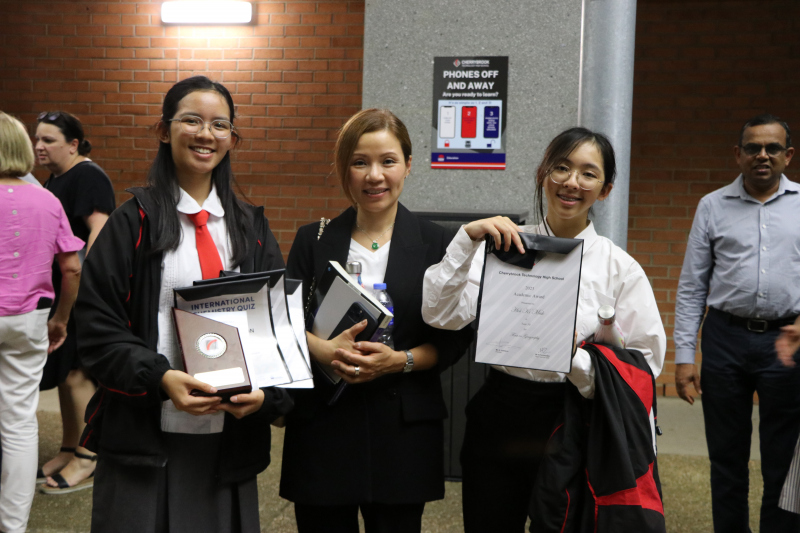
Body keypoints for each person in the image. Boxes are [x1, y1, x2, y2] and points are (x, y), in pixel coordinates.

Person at [73, 76, 292, 532]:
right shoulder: (132, 223)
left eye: (219, 125)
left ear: (232, 139)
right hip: (145, 432)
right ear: (163, 129)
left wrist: (267, 397)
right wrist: (160, 378)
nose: (206, 134)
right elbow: (97, 326)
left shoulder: (250, 228)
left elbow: (276, 326)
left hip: (229, 436)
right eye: (191, 120)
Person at [422, 127, 666, 532]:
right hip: (500, 411)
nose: (572, 182)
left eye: (588, 174)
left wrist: (575, 360)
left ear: (605, 190)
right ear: (543, 174)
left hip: (573, 418)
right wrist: (465, 240)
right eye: (562, 168)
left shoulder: (619, 268)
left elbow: (644, 365)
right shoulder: (505, 247)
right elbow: (440, 315)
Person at [280, 108, 474, 533]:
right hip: (323, 427)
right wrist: (324, 350)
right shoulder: (313, 239)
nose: (374, 176)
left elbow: (456, 338)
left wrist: (399, 361)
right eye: (359, 162)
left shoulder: (439, 243)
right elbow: (283, 321)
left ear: (408, 165)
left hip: (403, 430)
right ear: (344, 169)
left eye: (388, 161)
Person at [674, 113, 800, 532]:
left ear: (788, 155)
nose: (762, 155)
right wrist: (684, 357)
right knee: (726, 457)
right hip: (725, 340)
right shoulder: (712, 206)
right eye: (753, 148)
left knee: (783, 457)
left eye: (772, 148)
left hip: (787, 342)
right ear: (738, 154)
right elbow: (692, 286)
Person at [0, 111, 83, 532]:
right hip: (30, 320)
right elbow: (72, 268)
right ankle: (13, 526)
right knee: (18, 422)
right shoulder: (47, 200)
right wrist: (61, 319)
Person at [34, 110, 115, 493]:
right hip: (61, 289)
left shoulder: (87, 175)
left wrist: (88, 286)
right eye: (37, 139)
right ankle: (70, 447)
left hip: (80, 289)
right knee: (65, 374)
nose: (39, 146)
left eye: (48, 140)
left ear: (73, 144)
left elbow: (100, 228)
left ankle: (88, 456)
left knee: (79, 374)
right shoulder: (55, 179)